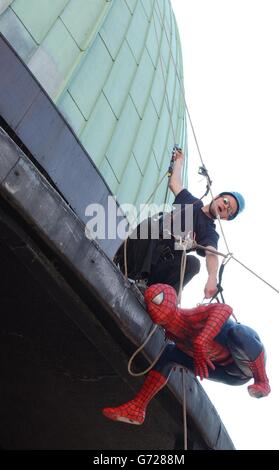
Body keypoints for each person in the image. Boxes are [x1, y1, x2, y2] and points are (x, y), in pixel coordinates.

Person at [103, 284, 270, 425]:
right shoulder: (171, 333)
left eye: (158, 300)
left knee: (239, 333)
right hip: (221, 370)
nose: (154, 308)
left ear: (171, 299)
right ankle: (138, 408)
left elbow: (224, 309)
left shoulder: (192, 316)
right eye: (149, 305)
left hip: (243, 363)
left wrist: (201, 340)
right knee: (169, 353)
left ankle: (262, 380)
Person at [114, 147, 245, 299]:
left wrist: (212, 278)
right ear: (217, 197)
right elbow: (174, 183)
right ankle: (140, 277)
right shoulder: (191, 202)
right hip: (136, 255)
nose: (226, 207)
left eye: (229, 211)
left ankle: (165, 299)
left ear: (225, 218)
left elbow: (211, 254)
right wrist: (179, 161)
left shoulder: (209, 232)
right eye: (226, 201)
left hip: (158, 269)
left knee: (193, 264)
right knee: (153, 224)